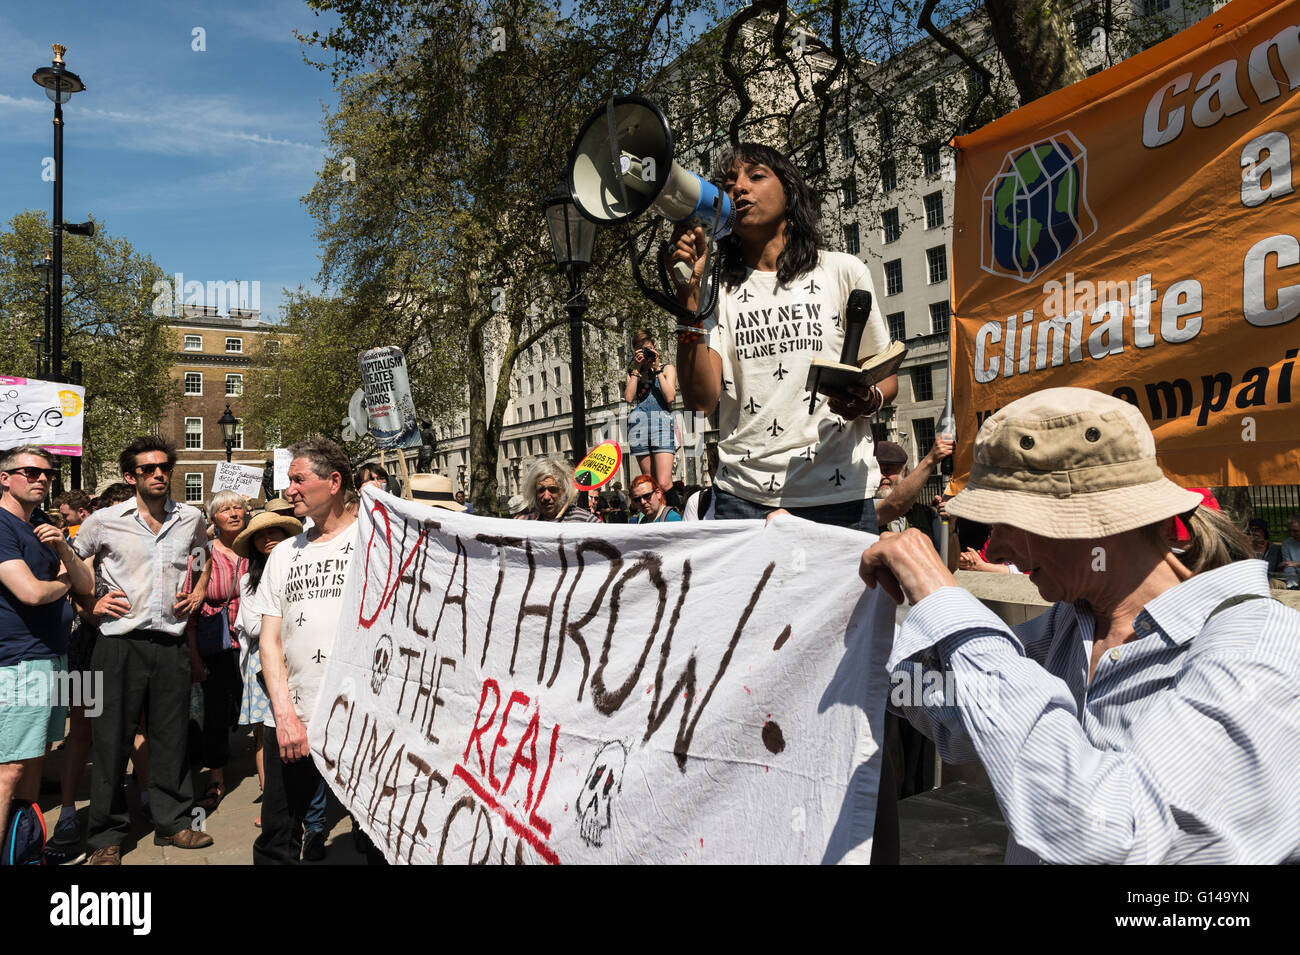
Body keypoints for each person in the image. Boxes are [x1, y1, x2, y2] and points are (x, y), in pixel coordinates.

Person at [859, 387, 1300, 863]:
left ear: (1092, 520)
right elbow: (961, 713)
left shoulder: (1260, 649)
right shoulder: (1075, 624)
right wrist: (862, 648)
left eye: (1006, 524)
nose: (998, 550)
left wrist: (944, 601)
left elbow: (1110, 837)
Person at [672, 142, 897, 532]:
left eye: (755, 176)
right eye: (728, 184)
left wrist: (867, 399)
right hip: (743, 498)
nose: (738, 188)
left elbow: (884, 373)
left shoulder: (842, 271)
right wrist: (688, 304)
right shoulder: (714, 291)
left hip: (838, 495)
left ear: (790, 192)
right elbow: (700, 400)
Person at [71, 436, 214, 864]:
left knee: (172, 738)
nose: (158, 474)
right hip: (118, 644)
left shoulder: (189, 517)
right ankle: (106, 837)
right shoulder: (103, 520)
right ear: (131, 476)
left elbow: (203, 555)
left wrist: (200, 588)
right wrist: (88, 603)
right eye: (148, 469)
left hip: (169, 641)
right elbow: (72, 569)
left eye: (163, 467)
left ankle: (172, 824)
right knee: (111, 741)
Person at [248, 437, 359, 865]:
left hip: (365, 716)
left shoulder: (379, 542)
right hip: (295, 715)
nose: (288, 489)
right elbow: (269, 642)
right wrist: (285, 714)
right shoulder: (284, 556)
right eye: (288, 480)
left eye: (298, 480)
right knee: (278, 831)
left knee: (374, 835)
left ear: (333, 482)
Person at [0, 446, 93, 850]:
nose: (42, 479)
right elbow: (33, 593)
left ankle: (23, 850)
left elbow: (88, 583)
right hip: (20, 659)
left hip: (53, 654)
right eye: (30, 472)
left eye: (48, 474)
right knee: (10, 767)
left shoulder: (41, 523)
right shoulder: (1, 525)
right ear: (5, 477)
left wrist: (64, 550)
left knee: (38, 753)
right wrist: (65, 584)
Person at [47, 482, 144, 864]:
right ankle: (69, 813)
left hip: (133, 646)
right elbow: (74, 596)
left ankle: (148, 798)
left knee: (137, 726)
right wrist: (93, 610)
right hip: (87, 648)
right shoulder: (86, 548)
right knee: (81, 731)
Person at [231, 510, 302, 833]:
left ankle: (304, 806)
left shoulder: (300, 567)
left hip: (301, 657)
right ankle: (270, 797)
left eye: (275, 532)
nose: (269, 539)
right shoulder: (249, 580)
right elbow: (252, 624)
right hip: (264, 661)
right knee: (266, 735)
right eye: (261, 535)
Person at [185, 491, 250, 814]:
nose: (233, 514)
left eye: (238, 507)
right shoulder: (201, 553)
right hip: (217, 644)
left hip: (254, 643)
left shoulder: (261, 548)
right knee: (215, 712)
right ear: (213, 519)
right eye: (225, 510)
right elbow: (191, 606)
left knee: (246, 708)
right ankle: (216, 777)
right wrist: (194, 655)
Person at [625, 329, 678, 491]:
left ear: (654, 347)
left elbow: (669, 397)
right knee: (649, 483)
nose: (646, 354)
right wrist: (636, 370)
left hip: (661, 425)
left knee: (663, 483)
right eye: (641, 351)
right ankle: (653, 516)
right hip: (638, 427)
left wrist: (657, 370)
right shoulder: (632, 373)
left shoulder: (667, 368)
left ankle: (674, 514)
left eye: (648, 349)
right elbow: (628, 398)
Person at [513, 457, 599, 523]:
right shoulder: (527, 522)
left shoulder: (586, 521)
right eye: (541, 490)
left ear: (564, 490)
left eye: (552, 489)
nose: (546, 497)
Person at [1281, 513, 1300, 589]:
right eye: (1290, 531)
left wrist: (1297, 564)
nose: (1292, 534)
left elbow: (1292, 564)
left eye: (1295, 531)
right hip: (1295, 581)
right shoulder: (1287, 544)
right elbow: (1289, 567)